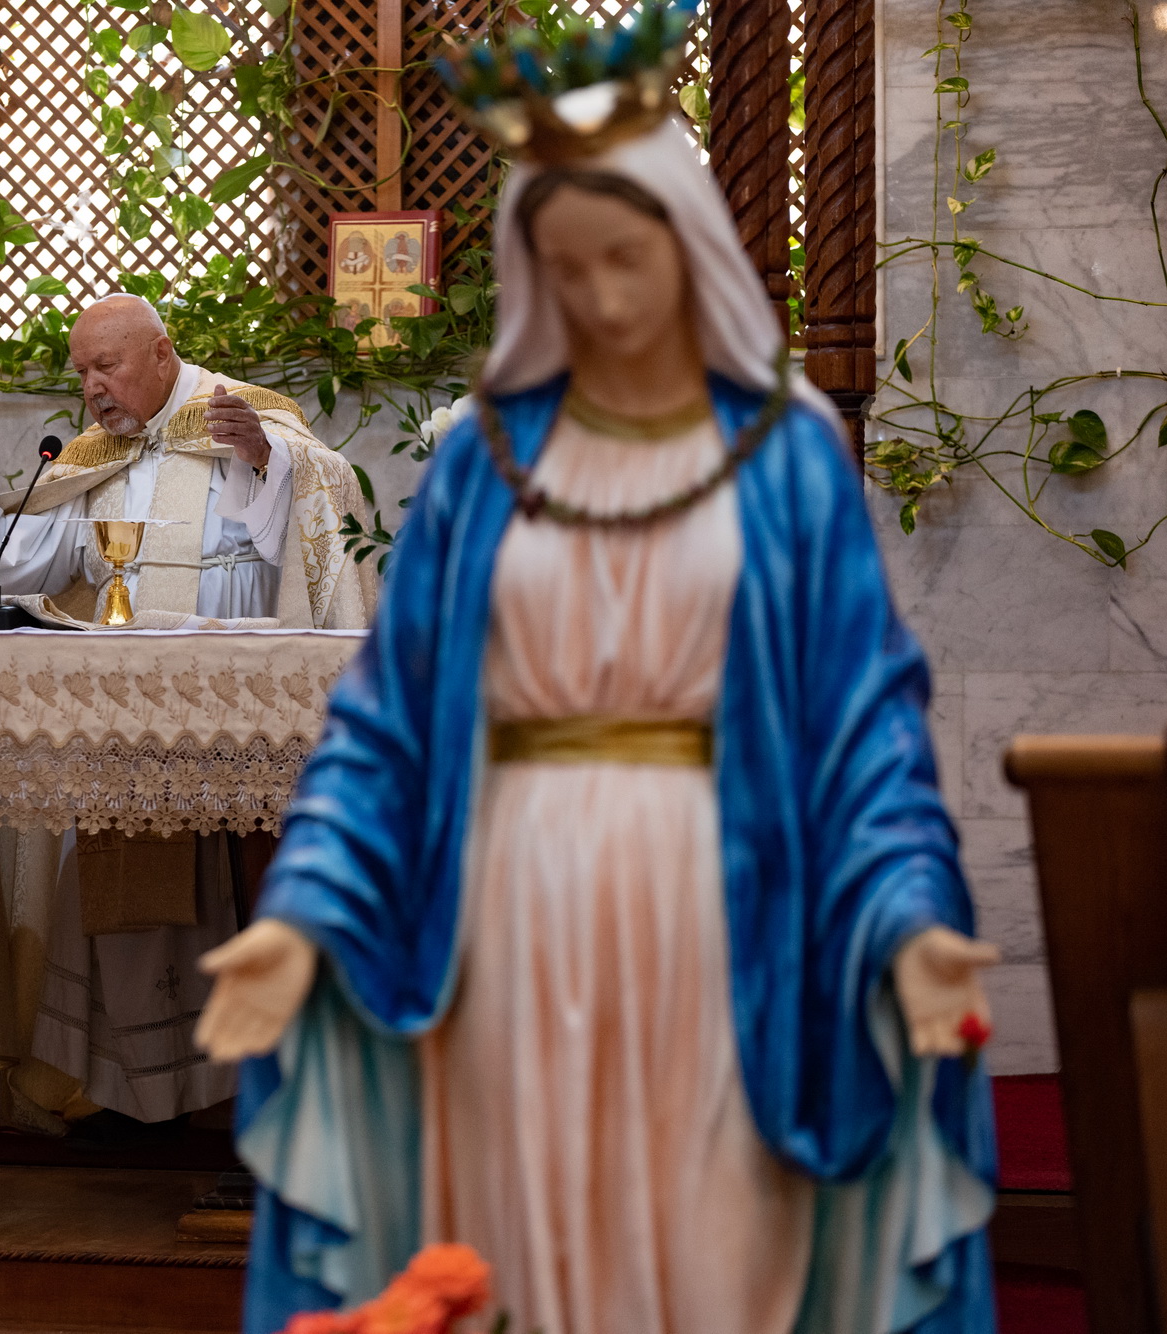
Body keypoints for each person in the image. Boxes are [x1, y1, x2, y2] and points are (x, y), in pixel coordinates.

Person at [192, 12, 1000, 1334]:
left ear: (690, 249)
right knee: (522, 1244)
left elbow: (861, 722)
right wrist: (307, 911)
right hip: (507, 900)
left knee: (712, 1246)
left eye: (628, 259)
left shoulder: (785, 453)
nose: (606, 299)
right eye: (566, 269)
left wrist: (906, 913)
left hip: (721, 895)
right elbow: (388, 726)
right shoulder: (485, 462)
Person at [0, 295, 373, 1141]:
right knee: (105, 886)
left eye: (104, 366)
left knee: (228, 889)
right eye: (80, 371)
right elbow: (20, 565)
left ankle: (233, 1093)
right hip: (120, 717)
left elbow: (321, 513)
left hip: (234, 713)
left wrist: (267, 461)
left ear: (160, 353)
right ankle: (119, 1095)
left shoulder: (245, 424)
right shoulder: (92, 458)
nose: (91, 388)